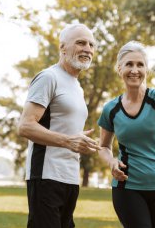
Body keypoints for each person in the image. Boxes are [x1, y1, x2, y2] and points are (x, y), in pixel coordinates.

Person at [97, 41, 155, 228]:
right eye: (129, 64)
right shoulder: (111, 109)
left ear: (146, 70)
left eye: (140, 64)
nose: (135, 70)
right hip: (127, 186)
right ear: (119, 69)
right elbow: (103, 146)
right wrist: (111, 162)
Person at [18, 23, 101, 228]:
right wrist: (68, 141)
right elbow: (25, 126)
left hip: (70, 177)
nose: (87, 49)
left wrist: (81, 141)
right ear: (63, 47)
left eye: (91, 44)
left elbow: (63, 130)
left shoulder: (76, 85)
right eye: (80, 43)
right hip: (46, 176)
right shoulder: (48, 77)